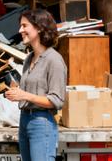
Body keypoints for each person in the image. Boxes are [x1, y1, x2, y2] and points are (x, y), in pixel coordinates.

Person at [5, 9, 66, 161]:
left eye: (24, 26)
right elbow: (30, 93)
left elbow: (56, 100)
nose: (20, 30)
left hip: (42, 123)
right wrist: (16, 92)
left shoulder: (54, 60)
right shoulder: (29, 59)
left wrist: (24, 95)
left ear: (39, 28)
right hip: (24, 120)